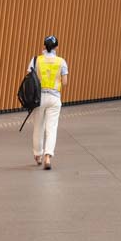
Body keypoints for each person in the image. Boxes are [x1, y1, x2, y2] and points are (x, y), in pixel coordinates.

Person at [29, 36, 69, 168]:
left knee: (38, 127)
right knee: (51, 128)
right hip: (54, 98)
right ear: (56, 47)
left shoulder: (36, 60)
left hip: (39, 98)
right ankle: (48, 157)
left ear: (44, 46)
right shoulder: (61, 62)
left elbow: (29, 77)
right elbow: (64, 82)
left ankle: (38, 155)